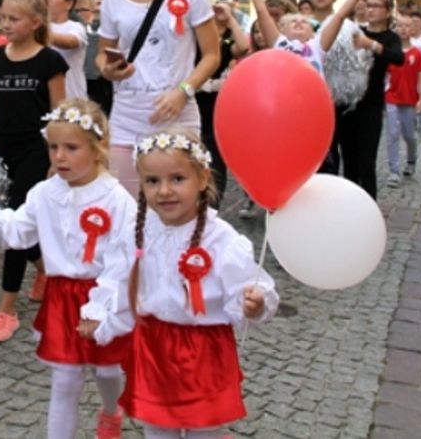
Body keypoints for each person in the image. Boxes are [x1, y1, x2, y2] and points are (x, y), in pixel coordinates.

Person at [78, 131, 278, 439]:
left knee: (204, 431)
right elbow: (116, 277)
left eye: (178, 179)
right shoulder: (138, 231)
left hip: (204, 353)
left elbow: (248, 289)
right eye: (153, 181)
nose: (165, 191)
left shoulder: (221, 239)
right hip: (154, 349)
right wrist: (99, 314)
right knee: (157, 430)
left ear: (202, 179)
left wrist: (255, 303)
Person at [0, 99, 136, 439]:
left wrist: (102, 307)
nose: (59, 156)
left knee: (107, 370)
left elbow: (125, 256)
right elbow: (16, 231)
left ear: (98, 148)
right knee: (65, 380)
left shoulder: (117, 199)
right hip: (61, 298)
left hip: (104, 294)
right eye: (54, 147)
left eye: (71, 148)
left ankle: (110, 411)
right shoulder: (45, 194)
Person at [96, 0, 220, 199]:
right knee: (125, 206)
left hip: (177, 114)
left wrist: (183, 91)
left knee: (178, 206)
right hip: (127, 115)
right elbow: (102, 55)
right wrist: (108, 69)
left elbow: (212, 55)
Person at [0, 0, 68, 343]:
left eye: (13, 19)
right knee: (18, 224)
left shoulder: (50, 61)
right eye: (2, 17)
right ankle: (45, 270)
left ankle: (7, 309)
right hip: (2, 150)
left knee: (15, 222)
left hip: (36, 150)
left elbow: (59, 114)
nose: (5, 24)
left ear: (35, 22)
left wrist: (56, 157)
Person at [330, 0, 404, 198]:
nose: (369, 9)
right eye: (367, 5)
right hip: (346, 104)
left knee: (367, 161)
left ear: (388, 11)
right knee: (349, 160)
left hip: (371, 105)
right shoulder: (355, 30)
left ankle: (370, 205)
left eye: (375, 6)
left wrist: (371, 45)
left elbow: (398, 58)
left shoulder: (390, 37)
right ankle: (351, 205)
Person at [244, 0, 363, 75]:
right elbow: (261, 10)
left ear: (312, 33)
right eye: (293, 21)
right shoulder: (278, 42)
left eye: (304, 22)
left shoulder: (317, 46)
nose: (299, 23)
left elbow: (340, 16)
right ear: (282, 29)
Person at [198, 0, 250, 203]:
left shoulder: (229, 39)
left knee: (216, 152)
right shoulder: (199, 34)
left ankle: (214, 201)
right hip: (193, 96)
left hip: (218, 103)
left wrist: (229, 18)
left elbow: (244, 46)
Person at [384, 16, 421, 186]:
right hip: (392, 97)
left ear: (413, 29)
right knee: (392, 134)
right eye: (400, 26)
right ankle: (394, 171)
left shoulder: (418, 53)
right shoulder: (391, 53)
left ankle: (411, 160)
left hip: (409, 99)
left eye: (407, 26)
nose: (403, 29)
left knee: (409, 135)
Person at [49, 0, 90, 100]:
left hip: (73, 99)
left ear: (69, 4)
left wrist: (41, 33)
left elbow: (71, 42)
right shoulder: (38, 26)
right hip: (45, 100)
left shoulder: (75, 27)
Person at [77, 0, 113, 116]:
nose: (79, 13)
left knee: (101, 113)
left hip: (100, 77)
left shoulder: (104, 25)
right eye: (78, 10)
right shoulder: (78, 27)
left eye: (82, 9)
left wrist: (103, 9)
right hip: (83, 75)